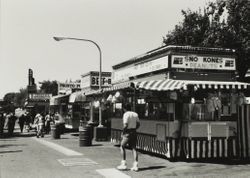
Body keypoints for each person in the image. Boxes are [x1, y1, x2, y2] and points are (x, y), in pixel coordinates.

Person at [117, 103, 140, 172]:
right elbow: (138, 124)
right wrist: (135, 128)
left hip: (127, 132)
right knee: (134, 148)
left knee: (122, 146)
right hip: (134, 132)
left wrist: (123, 132)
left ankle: (123, 163)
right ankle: (135, 165)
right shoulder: (135, 114)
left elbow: (125, 125)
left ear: (124, 109)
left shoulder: (126, 114)